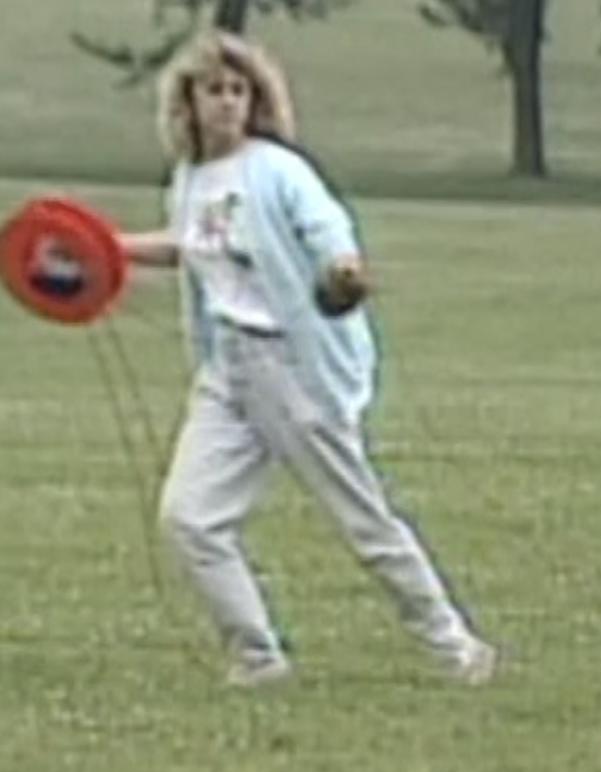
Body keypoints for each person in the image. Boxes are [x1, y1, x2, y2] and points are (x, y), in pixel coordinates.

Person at [116, 31, 496, 689]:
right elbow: (188, 245)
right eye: (214, 90)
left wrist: (341, 270)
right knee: (189, 518)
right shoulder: (191, 178)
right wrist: (104, 246)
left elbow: (327, 231)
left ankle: (455, 646)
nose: (228, 103)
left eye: (239, 91)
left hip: (292, 370)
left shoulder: (278, 170)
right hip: (226, 370)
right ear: (188, 102)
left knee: (363, 521)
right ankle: (258, 657)